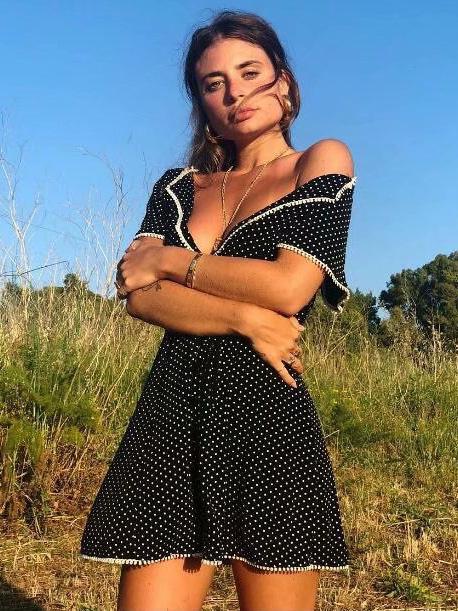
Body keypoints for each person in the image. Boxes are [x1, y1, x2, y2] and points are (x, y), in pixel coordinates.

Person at [80, 9, 357, 611]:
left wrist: (171, 262)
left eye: (250, 72)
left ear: (283, 82)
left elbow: (289, 287)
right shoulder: (178, 187)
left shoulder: (320, 161)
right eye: (214, 83)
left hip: (268, 414)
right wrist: (243, 318)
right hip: (171, 415)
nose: (235, 93)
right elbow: (138, 293)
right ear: (201, 103)